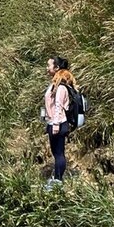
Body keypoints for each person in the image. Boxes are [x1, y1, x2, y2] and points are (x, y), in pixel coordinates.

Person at [42, 55, 78, 190]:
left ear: (56, 68)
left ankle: (58, 180)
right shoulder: (55, 85)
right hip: (54, 122)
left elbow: (58, 107)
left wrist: (55, 124)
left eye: (49, 65)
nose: (47, 68)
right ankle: (56, 179)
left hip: (58, 123)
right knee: (57, 153)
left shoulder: (61, 87)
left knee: (58, 153)